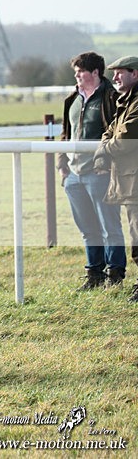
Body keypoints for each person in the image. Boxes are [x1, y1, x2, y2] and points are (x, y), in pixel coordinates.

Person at [57, 52, 126, 290]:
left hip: (100, 173)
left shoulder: (112, 98)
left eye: (81, 71)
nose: (76, 75)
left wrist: (106, 164)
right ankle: (94, 275)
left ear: (95, 72)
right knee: (87, 228)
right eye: (75, 71)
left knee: (110, 227)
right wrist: (62, 165)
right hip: (74, 175)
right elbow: (65, 134)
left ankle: (115, 274)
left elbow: (117, 134)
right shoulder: (72, 100)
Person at [94, 55, 138, 302]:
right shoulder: (126, 101)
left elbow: (124, 138)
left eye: (121, 72)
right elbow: (110, 132)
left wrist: (105, 149)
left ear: (136, 74)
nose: (115, 77)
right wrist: (107, 144)